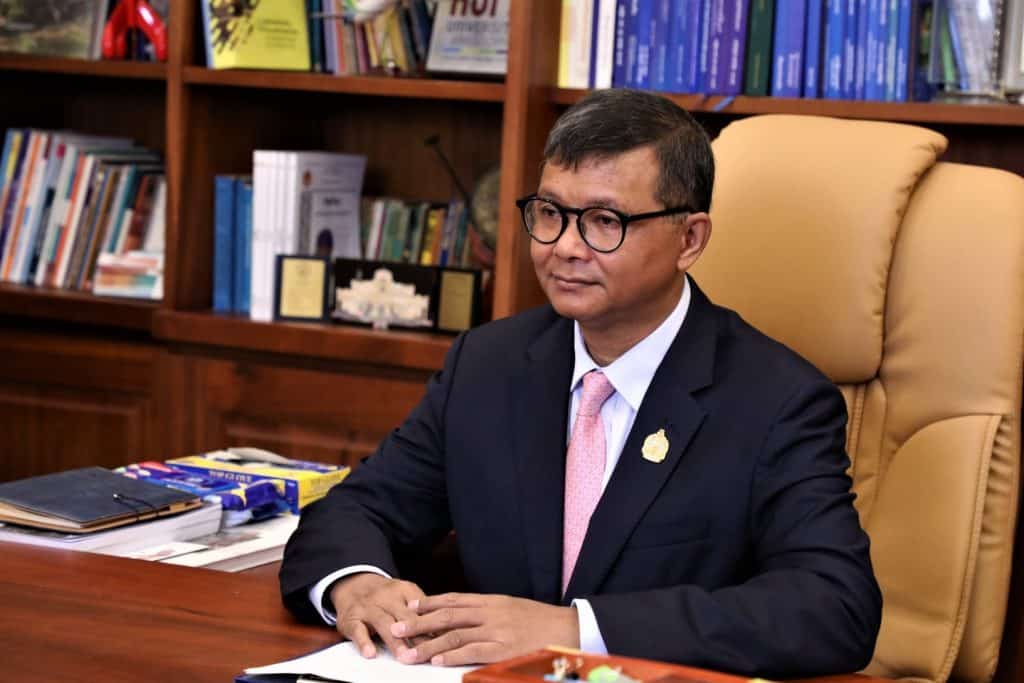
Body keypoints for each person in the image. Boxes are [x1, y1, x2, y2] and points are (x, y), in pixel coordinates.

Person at [279, 88, 882, 677]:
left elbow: (834, 606)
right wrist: (357, 584)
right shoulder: (488, 364)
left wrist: (576, 630)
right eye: (549, 214)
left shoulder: (776, 399)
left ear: (689, 239)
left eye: (603, 221)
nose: (565, 247)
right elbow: (356, 509)